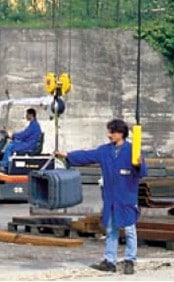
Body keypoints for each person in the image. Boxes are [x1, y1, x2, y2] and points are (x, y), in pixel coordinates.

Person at [55, 118, 147, 275]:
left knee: (130, 230)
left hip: (126, 197)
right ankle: (110, 261)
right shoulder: (105, 151)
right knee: (111, 229)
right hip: (111, 198)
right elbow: (87, 155)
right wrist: (67, 155)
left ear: (120, 134)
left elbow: (143, 172)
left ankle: (130, 260)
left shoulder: (133, 150)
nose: (109, 135)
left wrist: (138, 165)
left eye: (111, 132)